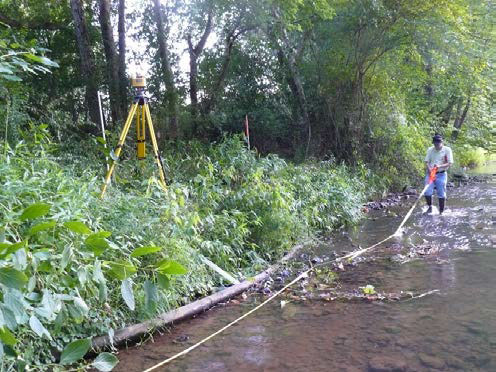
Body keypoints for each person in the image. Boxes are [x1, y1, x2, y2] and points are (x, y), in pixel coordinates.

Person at [424, 134, 453, 214]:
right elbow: (426, 161)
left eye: (438, 144)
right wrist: (430, 169)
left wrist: (439, 166)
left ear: (441, 143)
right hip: (430, 174)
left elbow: (449, 163)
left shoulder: (447, 150)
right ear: (433, 143)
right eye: (435, 144)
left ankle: (441, 212)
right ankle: (430, 207)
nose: (436, 145)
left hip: (441, 174)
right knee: (427, 192)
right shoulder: (430, 149)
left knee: (441, 194)